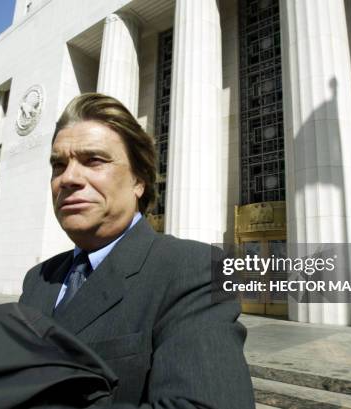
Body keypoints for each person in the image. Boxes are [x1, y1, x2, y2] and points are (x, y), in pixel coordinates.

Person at [19, 93, 254, 408]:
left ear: (138, 181)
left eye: (94, 160)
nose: (69, 178)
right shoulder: (38, 279)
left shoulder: (193, 269)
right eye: (58, 165)